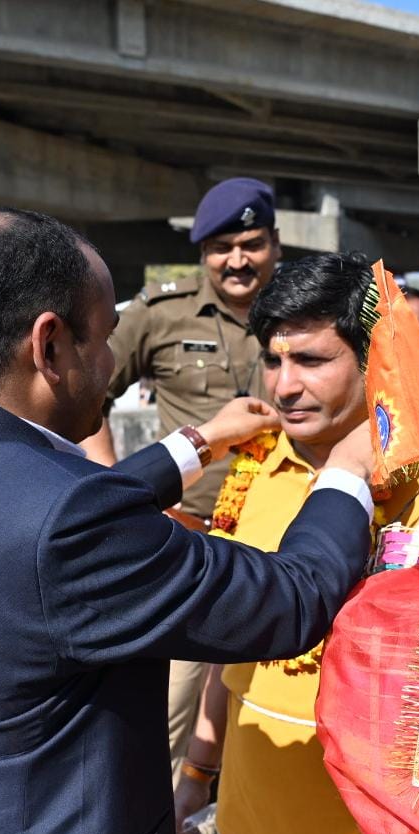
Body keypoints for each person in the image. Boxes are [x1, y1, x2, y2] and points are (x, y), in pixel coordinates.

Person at [0, 209, 378, 834]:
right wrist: (346, 474)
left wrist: (194, 443)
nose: (110, 367)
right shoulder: (64, 522)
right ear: (49, 345)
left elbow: (44, 517)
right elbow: (290, 599)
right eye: (103, 339)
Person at [173, 252, 419, 834]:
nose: (285, 386)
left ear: (375, 362)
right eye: (273, 360)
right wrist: (197, 772)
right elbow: (231, 646)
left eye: (312, 360)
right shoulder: (255, 467)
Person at [81, 177, 281, 777]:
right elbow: (88, 391)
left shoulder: (304, 312)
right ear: (203, 253)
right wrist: (113, 485)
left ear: (274, 244)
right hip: (189, 538)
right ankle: (165, 819)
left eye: (251, 244)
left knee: (269, 703)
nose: (237, 260)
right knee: (170, 708)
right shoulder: (162, 312)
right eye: (222, 248)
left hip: (283, 539)